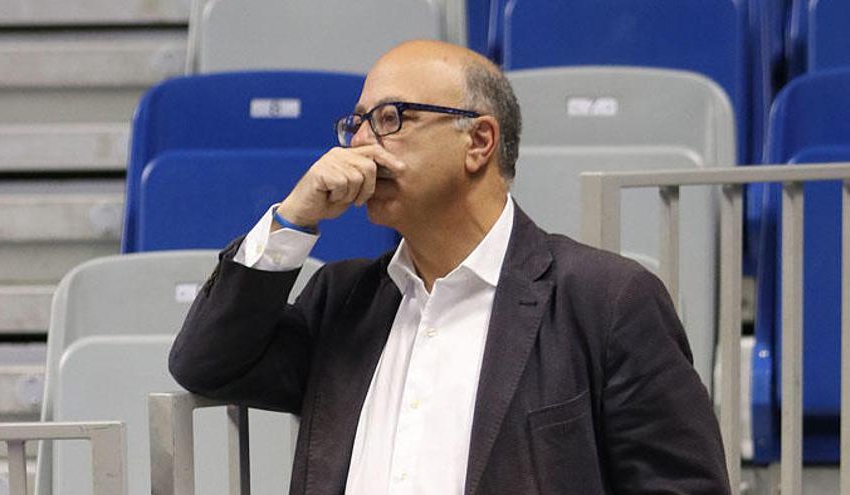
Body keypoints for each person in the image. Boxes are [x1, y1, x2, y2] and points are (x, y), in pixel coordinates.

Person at [169, 40, 730, 494]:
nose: (361, 144)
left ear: (478, 142)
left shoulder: (605, 299)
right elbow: (206, 363)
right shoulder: (344, 300)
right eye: (357, 123)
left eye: (389, 118)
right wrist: (292, 219)